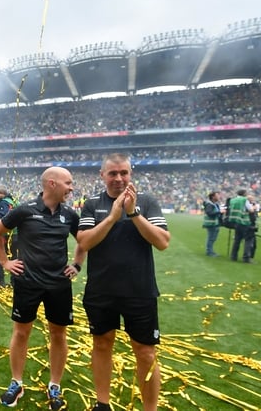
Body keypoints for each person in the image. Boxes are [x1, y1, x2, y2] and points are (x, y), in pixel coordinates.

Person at [76, 153, 170, 411]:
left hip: (139, 291)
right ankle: (102, 403)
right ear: (102, 175)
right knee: (102, 343)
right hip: (101, 290)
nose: (119, 178)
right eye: (113, 173)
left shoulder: (147, 202)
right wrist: (112, 217)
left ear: (130, 173)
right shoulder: (92, 204)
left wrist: (134, 213)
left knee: (145, 352)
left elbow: (162, 242)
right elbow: (84, 242)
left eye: (124, 173)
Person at [0, 167, 85, 410]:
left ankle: (55, 385)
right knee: (21, 333)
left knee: (58, 335)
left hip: (59, 285)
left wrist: (77, 264)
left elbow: (83, 240)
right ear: (51, 184)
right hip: (27, 283)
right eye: (68, 183)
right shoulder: (25, 210)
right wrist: (4, 262)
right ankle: (16, 383)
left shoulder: (69, 215)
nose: (72, 188)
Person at [228, 189, 255, 263]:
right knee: (248, 240)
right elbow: (251, 210)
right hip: (244, 221)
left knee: (237, 240)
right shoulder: (244, 200)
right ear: (244, 194)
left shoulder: (232, 200)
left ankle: (233, 256)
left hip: (235, 222)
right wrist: (254, 207)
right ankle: (246, 258)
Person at [201, 191, 223, 257]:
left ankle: (210, 251)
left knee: (213, 238)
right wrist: (219, 212)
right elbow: (209, 213)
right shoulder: (209, 204)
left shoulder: (215, 204)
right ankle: (209, 251)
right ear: (213, 197)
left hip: (215, 223)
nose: (219, 196)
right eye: (217, 195)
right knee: (211, 238)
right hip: (211, 224)